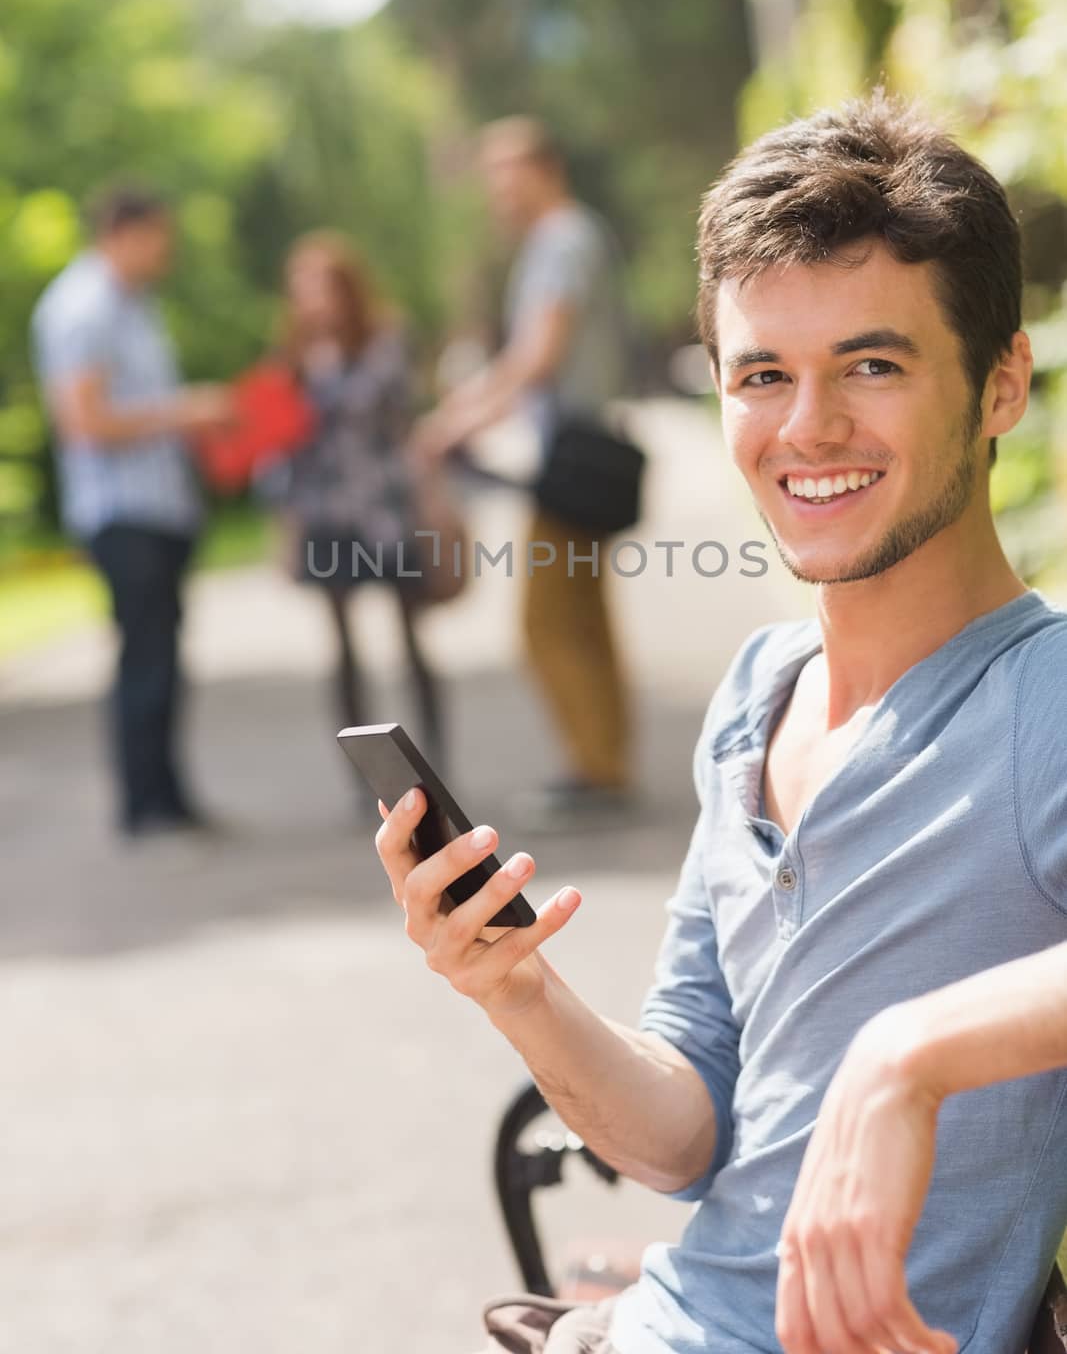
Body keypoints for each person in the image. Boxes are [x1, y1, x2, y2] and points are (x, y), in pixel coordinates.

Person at [375, 92, 1067, 1354]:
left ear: (1001, 382)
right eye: (761, 375)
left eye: (871, 363)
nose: (807, 428)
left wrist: (908, 1053)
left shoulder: (1043, 700)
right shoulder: (755, 695)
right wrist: (515, 988)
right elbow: (683, 1137)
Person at [414, 117, 633, 819]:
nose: (498, 193)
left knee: (547, 623)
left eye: (509, 176)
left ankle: (595, 771)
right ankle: (604, 763)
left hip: (573, 453)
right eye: (491, 179)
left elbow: (537, 355)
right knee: (581, 616)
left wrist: (455, 420)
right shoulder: (565, 238)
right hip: (575, 447)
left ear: (546, 169)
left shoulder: (561, 239)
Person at [30, 185, 234, 839]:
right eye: (158, 238)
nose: (164, 252)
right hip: (122, 512)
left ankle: (169, 798)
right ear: (125, 232)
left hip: (161, 507)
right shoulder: (81, 308)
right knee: (144, 660)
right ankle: (144, 809)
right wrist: (185, 410)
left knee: (165, 658)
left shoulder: (134, 306)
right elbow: (84, 421)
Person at [275, 230, 443, 785]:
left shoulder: (383, 341)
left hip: (385, 509)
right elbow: (283, 443)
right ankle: (366, 778)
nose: (312, 300)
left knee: (410, 637)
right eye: (302, 289)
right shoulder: (294, 355)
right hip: (326, 515)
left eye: (321, 287)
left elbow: (383, 408)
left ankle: (432, 763)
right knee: (343, 650)